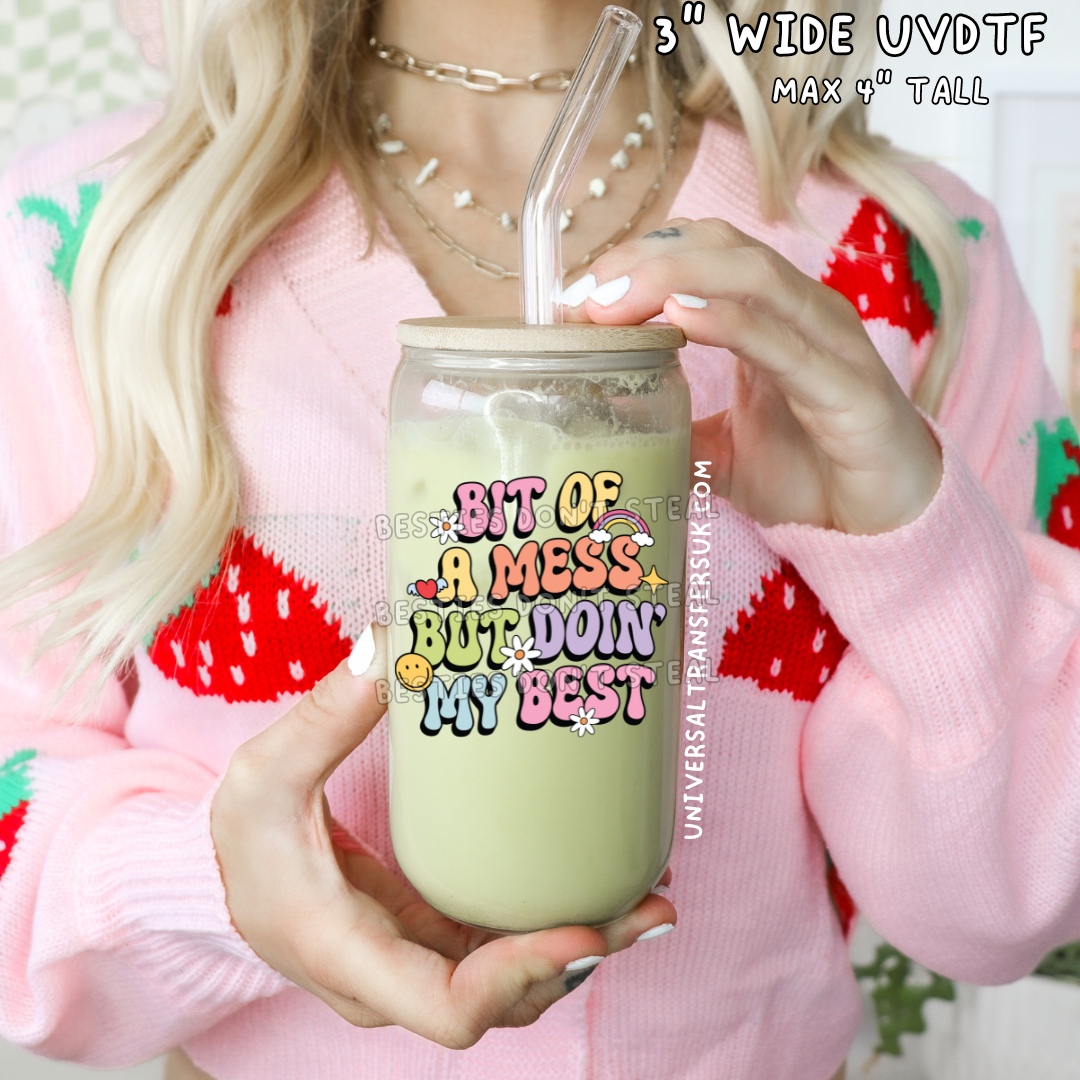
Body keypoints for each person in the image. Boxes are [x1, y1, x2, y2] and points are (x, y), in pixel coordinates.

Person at [0, 1, 1077, 1078]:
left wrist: (921, 552)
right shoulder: (93, 242)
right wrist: (210, 884)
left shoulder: (909, 257)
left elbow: (1008, 906)